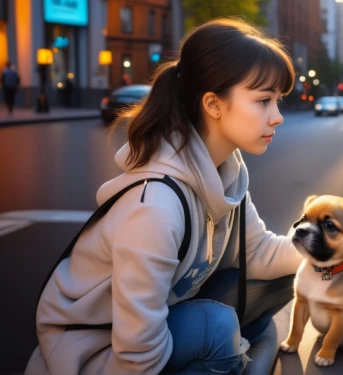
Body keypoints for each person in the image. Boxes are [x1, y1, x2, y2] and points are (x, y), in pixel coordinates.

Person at [25, 18, 303, 375]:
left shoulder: (227, 175)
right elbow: (136, 356)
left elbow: (260, 252)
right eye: (264, 100)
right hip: (96, 349)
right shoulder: (155, 208)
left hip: (152, 325)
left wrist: (336, 249)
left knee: (268, 302)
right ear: (214, 104)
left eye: (278, 101)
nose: (277, 117)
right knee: (219, 327)